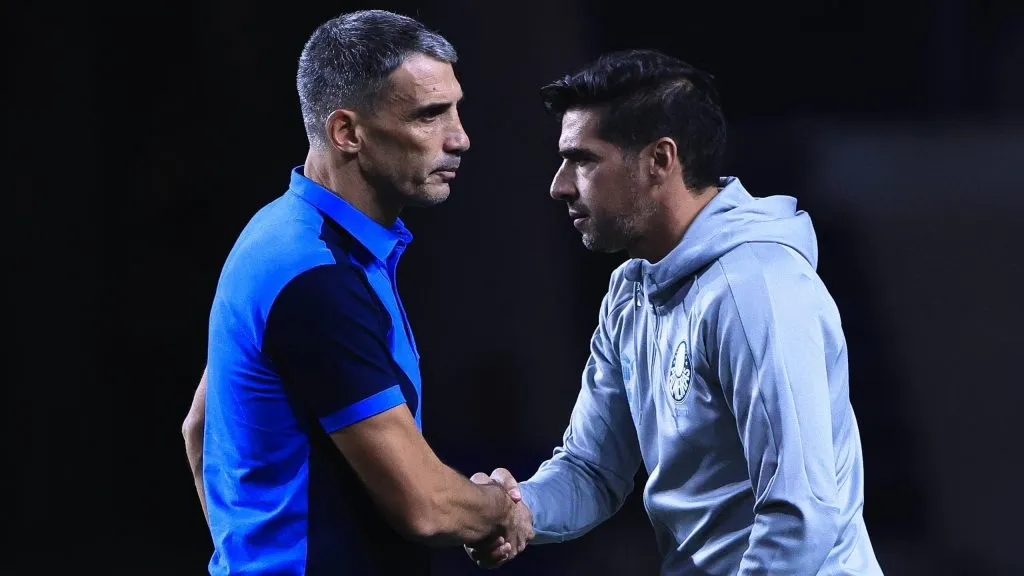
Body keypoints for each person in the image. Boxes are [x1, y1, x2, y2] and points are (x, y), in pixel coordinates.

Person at [466, 49, 884, 575]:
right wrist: (515, 508)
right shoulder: (630, 291)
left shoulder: (755, 288)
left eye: (584, 159)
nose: (561, 185)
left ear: (660, 161)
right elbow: (593, 470)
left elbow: (801, 517)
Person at [180, 10, 533, 575]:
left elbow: (200, 430)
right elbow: (424, 506)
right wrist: (501, 506)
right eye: (429, 115)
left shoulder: (279, 235)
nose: (460, 137)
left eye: (456, 108)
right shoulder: (316, 278)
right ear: (347, 132)